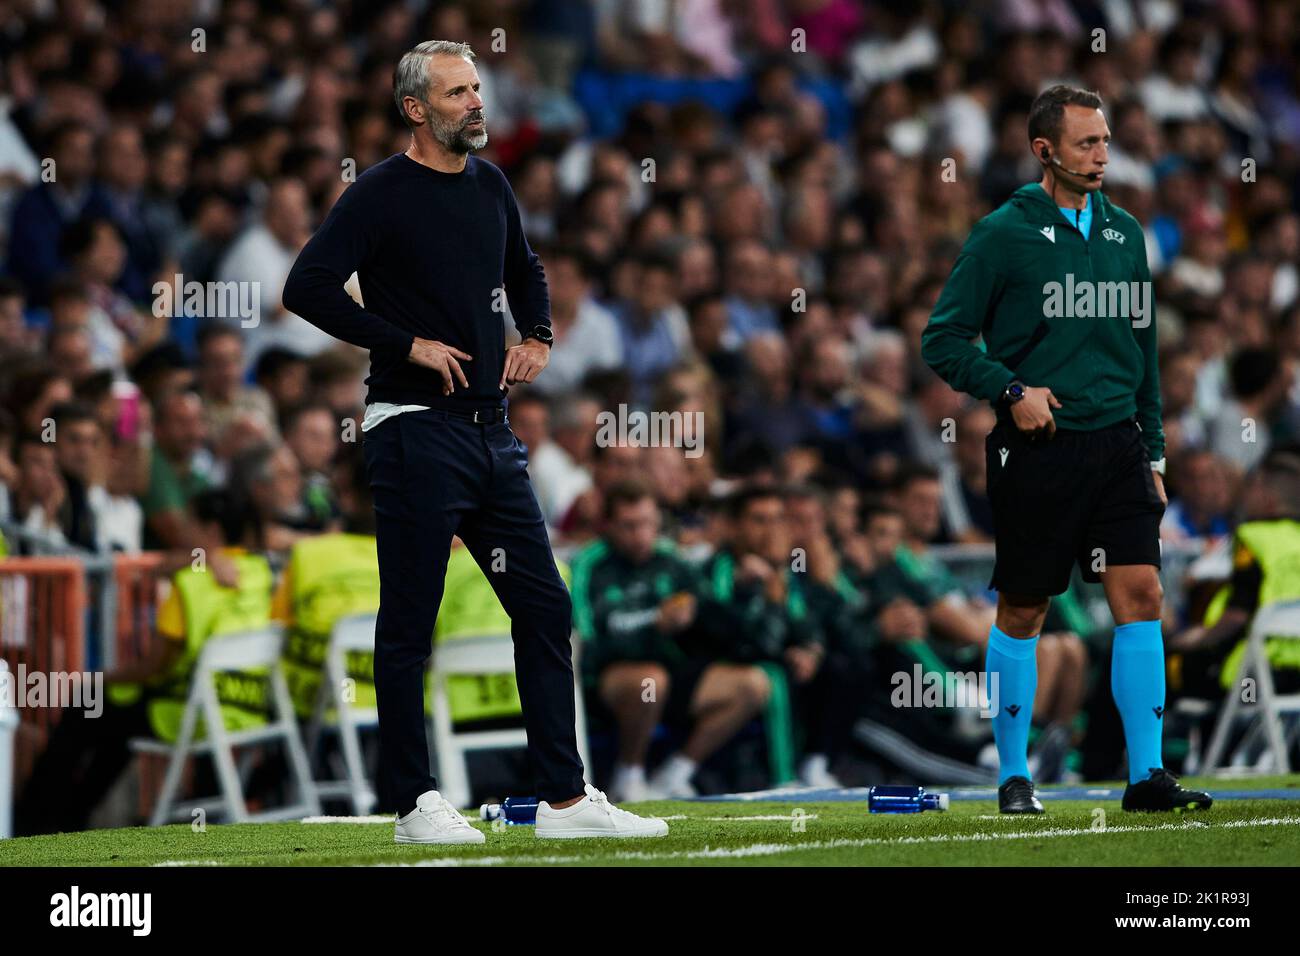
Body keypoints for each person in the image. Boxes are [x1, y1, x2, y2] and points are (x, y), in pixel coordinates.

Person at [281, 39, 665, 842]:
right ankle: (413, 803)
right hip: (414, 431)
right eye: (457, 93)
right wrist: (402, 342)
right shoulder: (379, 193)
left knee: (546, 604)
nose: (476, 104)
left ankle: (563, 799)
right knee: (410, 621)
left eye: (477, 88)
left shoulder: (491, 183)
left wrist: (541, 336)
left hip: (492, 432)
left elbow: (526, 269)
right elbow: (305, 285)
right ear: (417, 109)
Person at [922, 85, 1212, 814]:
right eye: (1087, 143)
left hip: (1119, 446)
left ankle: (1145, 776)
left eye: (1106, 140)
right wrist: (1011, 390)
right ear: (1044, 151)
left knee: (1142, 596)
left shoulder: (1126, 234)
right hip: (1039, 448)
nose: (1103, 154)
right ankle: (1014, 774)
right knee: (1026, 609)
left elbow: (1142, 355)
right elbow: (943, 339)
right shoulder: (1001, 233)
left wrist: (1155, 453)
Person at [572, 480, 770, 800]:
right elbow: (587, 644)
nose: (642, 535)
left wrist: (735, 595)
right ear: (608, 526)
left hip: (672, 672)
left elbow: (718, 624)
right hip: (612, 679)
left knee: (753, 685)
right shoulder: (589, 565)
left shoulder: (671, 559)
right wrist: (654, 625)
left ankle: (675, 773)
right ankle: (628, 775)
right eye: (630, 526)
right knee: (651, 680)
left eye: (650, 524)